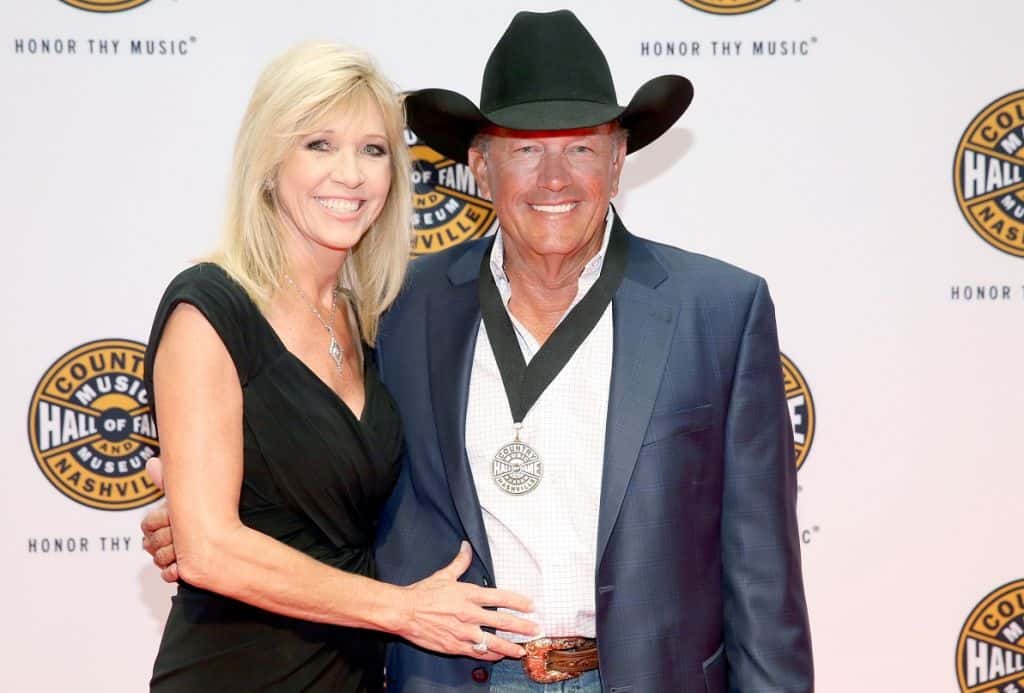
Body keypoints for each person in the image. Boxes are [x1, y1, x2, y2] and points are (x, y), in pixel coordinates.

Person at [144, 11, 814, 691]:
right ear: (480, 168)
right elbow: (337, 468)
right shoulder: (404, 308)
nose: (554, 178)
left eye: (580, 148)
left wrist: (219, 534)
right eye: (525, 149)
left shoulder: (719, 310)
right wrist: (212, 527)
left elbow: (763, 574)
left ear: (617, 163)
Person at [140, 42, 535, 692]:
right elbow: (210, 549)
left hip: (353, 675)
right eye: (319, 144)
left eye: (374, 149)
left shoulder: (373, 320)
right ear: (268, 162)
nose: (350, 174)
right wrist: (403, 609)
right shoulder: (210, 310)